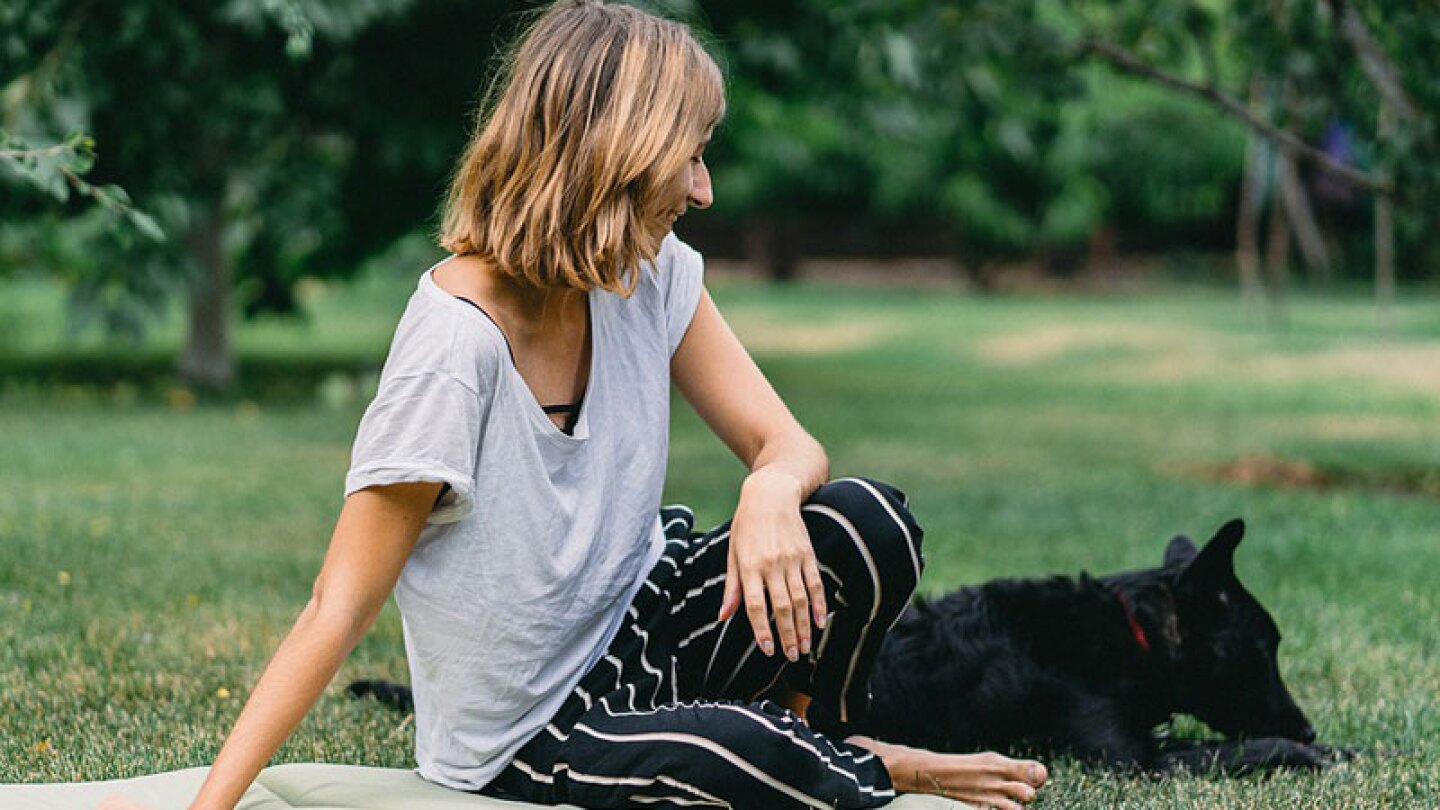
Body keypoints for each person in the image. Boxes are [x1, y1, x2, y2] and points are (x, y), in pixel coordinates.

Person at [103, 2, 1048, 809]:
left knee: (866, 522)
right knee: (742, 755)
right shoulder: (455, 350)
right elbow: (336, 606)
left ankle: (817, 740)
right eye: (691, 157)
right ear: (615, 158)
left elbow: (787, 443)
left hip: (646, 614)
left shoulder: (651, 273)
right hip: (531, 728)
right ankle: (856, 762)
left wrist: (770, 487)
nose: (705, 189)